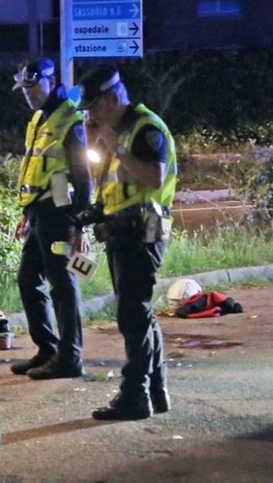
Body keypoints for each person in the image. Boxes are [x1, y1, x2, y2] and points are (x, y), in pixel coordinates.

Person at [76, 65, 178, 421]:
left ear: (111, 98)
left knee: (133, 316)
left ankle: (134, 394)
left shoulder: (144, 129)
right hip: (123, 232)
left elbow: (153, 176)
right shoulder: (117, 132)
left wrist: (116, 148)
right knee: (140, 314)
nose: (89, 114)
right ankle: (156, 390)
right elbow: (111, 185)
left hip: (143, 232)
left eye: (93, 107)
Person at [9, 58, 94, 380]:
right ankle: (48, 348)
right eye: (24, 89)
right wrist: (26, 213)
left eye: (33, 87)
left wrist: (80, 224)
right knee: (28, 279)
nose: (28, 94)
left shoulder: (69, 119)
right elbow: (35, 169)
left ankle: (70, 358)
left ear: (51, 80)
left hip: (61, 214)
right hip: (40, 213)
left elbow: (83, 177)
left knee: (62, 284)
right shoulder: (38, 119)